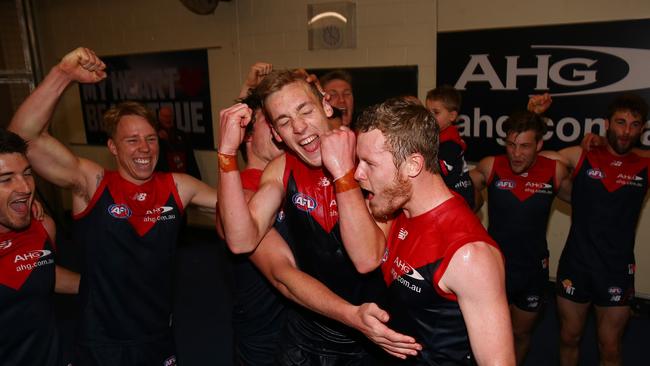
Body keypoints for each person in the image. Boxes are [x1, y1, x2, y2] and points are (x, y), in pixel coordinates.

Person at [9, 47, 217, 366]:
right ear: (113, 147)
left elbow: (235, 206)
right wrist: (63, 74)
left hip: (158, 334)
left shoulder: (177, 185)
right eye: (132, 140)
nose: (144, 148)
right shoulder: (92, 183)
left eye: (150, 139)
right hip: (102, 340)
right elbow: (23, 137)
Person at [218, 69, 420, 364]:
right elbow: (239, 240)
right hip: (309, 332)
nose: (299, 127)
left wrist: (343, 175)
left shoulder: (369, 158)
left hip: (375, 333)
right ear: (276, 133)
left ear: (326, 106)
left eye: (305, 110)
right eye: (284, 122)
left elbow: (367, 258)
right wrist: (226, 153)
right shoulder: (280, 168)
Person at [351, 97, 515, 365]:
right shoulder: (399, 209)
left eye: (370, 163)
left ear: (413, 165)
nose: (357, 173)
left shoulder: (469, 255)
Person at [529, 92, 649, 366]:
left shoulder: (645, 163)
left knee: (610, 346)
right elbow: (535, 158)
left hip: (616, 268)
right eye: (620, 122)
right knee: (569, 338)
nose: (626, 131)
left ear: (642, 129)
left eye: (634, 124)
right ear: (606, 123)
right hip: (577, 263)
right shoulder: (582, 154)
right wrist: (535, 116)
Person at [469, 111, 570, 364]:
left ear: (539, 146)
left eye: (525, 146)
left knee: (520, 334)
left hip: (532, 270)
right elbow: (461, 192)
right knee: (487, 335)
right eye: (511, 145)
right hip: (495, 269)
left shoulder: (554, 171)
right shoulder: (491, 165)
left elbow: (591, 201)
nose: (516, 153)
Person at [0, 128, 80, 366]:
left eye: (27, 174)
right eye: (6, 179)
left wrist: (103, 285)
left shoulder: (42, 226)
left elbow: (39, 273)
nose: (25, 188)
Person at [228, 63, 289, 365]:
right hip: (262, 334)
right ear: (248, 136)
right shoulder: (241, 191)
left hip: (296, 328)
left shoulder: (287, 177)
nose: (281, 128)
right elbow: (282, 273)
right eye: (271, 123)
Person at [425, 85, 475, 209]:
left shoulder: (450, 142)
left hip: (458, 200)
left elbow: (438, 170)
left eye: (436, 112)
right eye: (427, 112)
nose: (429, 117)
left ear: (452, 116)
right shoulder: (438, 136)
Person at [155, 105, 202, 180]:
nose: (168, 119)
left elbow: (191, 159)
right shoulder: (154, 136)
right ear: (159, 118)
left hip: (183, 176)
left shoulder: (182, 135)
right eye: (165, 116)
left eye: (170, 116)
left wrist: (196, 178)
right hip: (165, 178)